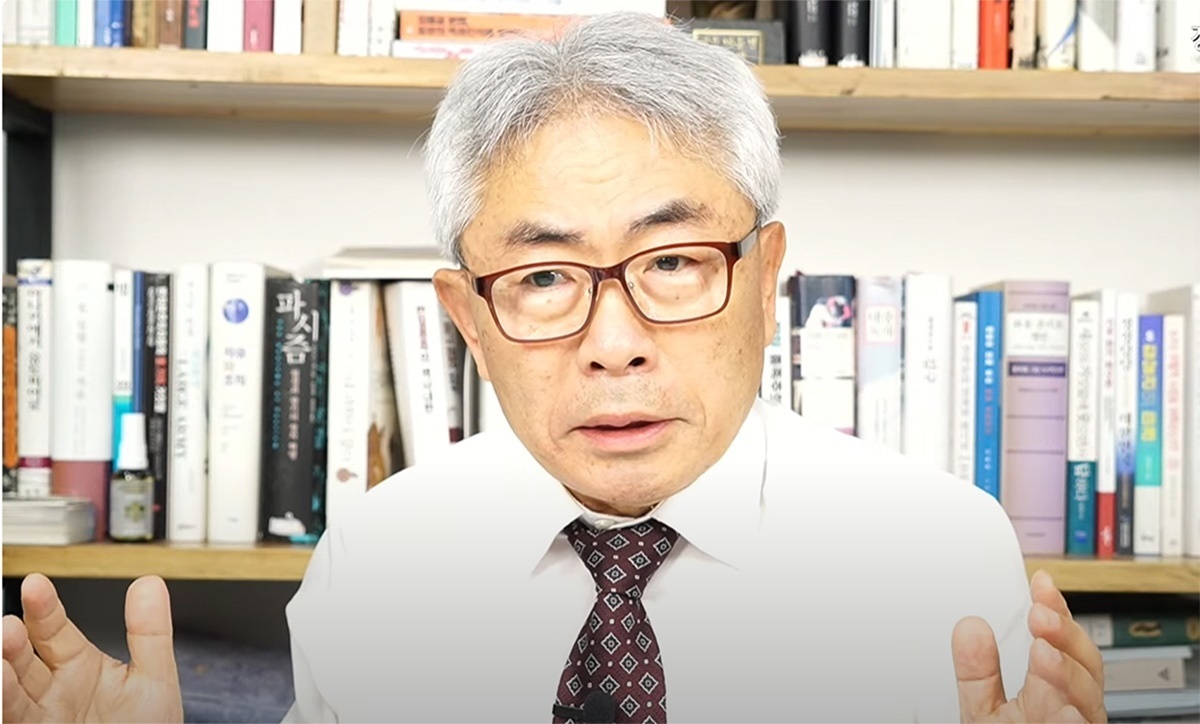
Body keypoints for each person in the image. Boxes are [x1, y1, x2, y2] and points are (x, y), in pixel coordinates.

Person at [2, 12, 1106, 724]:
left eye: (672, 261)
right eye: (541, 278)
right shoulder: (376, 564)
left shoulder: (941, 557)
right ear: (468, 319)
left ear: (767, 278)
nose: (614, 342)